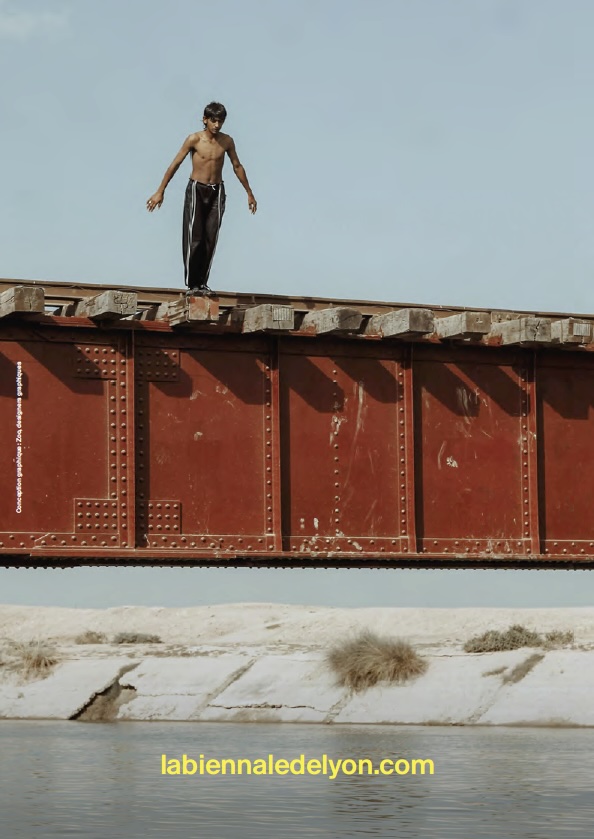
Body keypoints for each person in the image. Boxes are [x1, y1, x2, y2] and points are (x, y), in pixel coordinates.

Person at [146, 102, 257, 295]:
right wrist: (160, 191)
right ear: (205, 119)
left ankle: (203, 283)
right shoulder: (194, 139)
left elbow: (237, 166)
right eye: (213, 120)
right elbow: (176, 164)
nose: (217, 125)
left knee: (210, 238)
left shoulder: (227, 141)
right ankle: (193, 283)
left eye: (220, 121)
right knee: (194, 238)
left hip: (217, 191)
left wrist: (249, 192)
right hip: (197, 189)